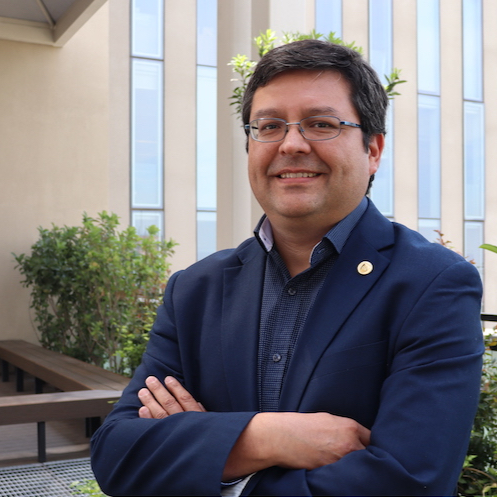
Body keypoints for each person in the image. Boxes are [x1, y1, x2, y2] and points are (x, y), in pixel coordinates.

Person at [90, 40, 484, 496]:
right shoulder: (194, 290)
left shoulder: (432, 284)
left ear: (373, 150)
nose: (292, 144)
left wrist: (209, 454)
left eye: (321, 124)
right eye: (269, 126)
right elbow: (118, 455)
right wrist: (266, 437)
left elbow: (407, 482)